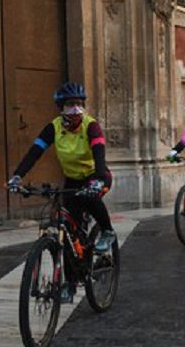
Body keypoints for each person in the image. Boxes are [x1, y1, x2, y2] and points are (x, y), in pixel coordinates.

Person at [7, 82, 115, 301]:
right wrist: (17, 176)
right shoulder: (54, 127)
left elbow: (99, 154)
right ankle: (71, 283)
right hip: (72, 180)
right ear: (60, 108)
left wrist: (99, 179)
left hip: (96, 175)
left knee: (91, 200)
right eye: (70, 105)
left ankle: (107, 231)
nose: (75, 109)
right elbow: (34, 152)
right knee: (67, 231)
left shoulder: (91, 126)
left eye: (79, 104)